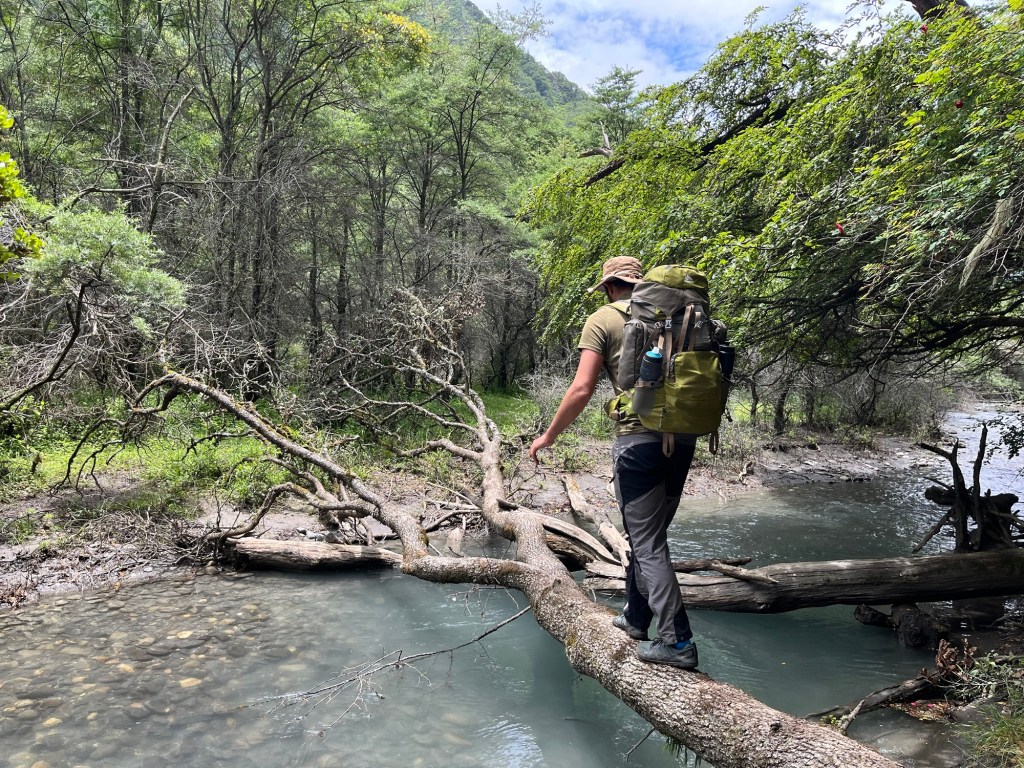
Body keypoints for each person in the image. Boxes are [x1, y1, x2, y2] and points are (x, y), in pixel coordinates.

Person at [528, 255, 699, 670]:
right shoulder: (680, 316)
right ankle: (637, 619)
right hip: (684, 436)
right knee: (650, 537)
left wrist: (548, 436)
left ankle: (678, 643)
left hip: (638, 442)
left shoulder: (603, 318)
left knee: (646, 541)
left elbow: (583, 386)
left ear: (609, 286)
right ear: (640, 284)